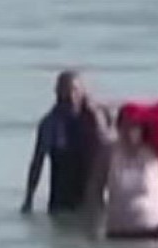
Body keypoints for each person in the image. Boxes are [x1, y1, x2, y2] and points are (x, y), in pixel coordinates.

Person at [21, 71, 110, 215]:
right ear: (57, 93)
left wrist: (96, 117)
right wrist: (29, 198)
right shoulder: (50, 123)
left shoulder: (98, 117)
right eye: (65, 90)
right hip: (61, 200)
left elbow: (110, 149)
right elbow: (37, 162)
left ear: (84, 92)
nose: (70, 96)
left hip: (93, 199)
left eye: (75, 90)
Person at [92, 102, 158, 239]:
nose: (129, 132)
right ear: (118, 128)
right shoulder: (109, 152)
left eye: (134, 127)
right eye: (125, 126)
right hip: (117, 233)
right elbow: (95, 190)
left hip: (154, 232)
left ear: (142, 129)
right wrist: (92, 227)